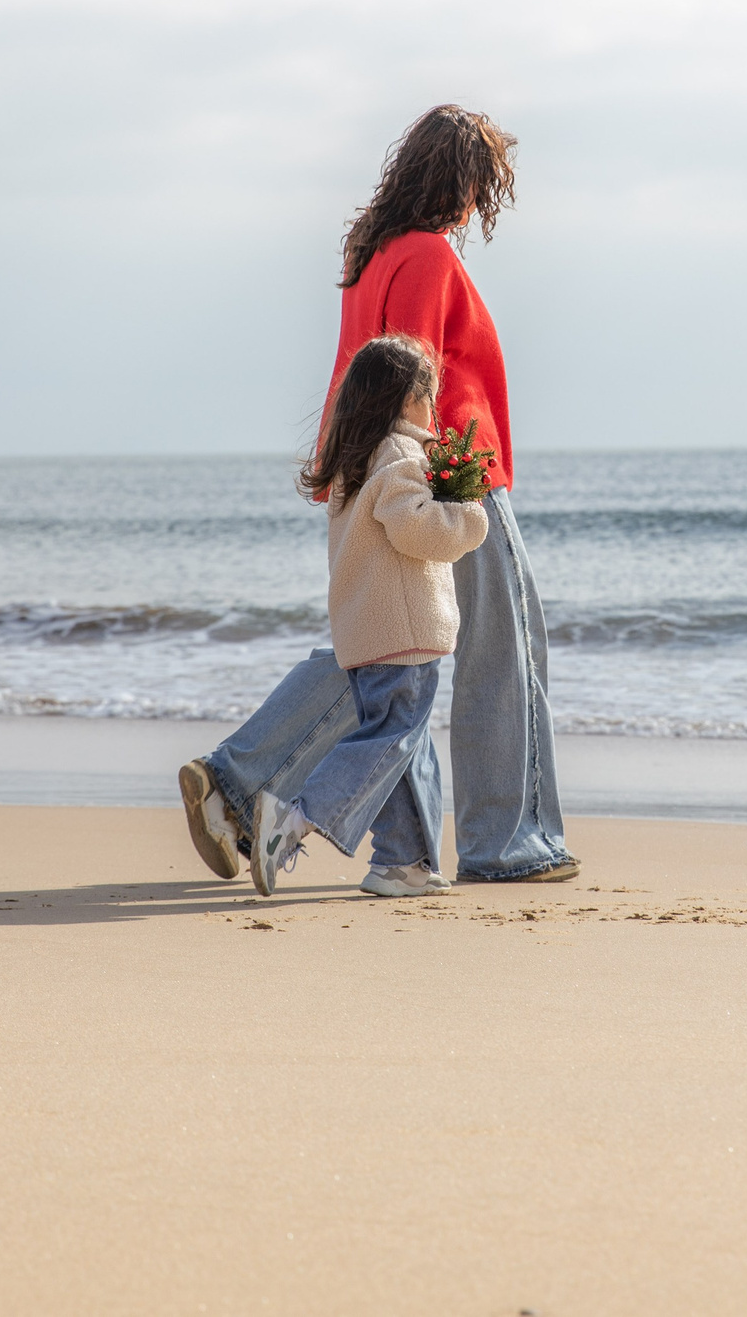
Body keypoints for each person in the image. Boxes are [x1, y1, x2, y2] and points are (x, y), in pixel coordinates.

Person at [177, 104, 578, 885]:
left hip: (366, 473)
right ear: (461, 183)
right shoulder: (428, 255)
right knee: (504, 648)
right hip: (451, 475)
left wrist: (342, 477)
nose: (478, 206)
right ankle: (507, 843)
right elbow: (413, 382)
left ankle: (241, 783)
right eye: (481, 185)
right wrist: (438, 486)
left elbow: (354, 376)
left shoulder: (373, 256)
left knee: (381, 653)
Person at [242, 334, 487, 898]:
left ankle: (402, 863)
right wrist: (468, 516)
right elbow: (416, 528)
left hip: (367, 630)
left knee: (407, 749)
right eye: (430, 396)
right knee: (392, 741)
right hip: (403, 631)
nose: (435, 409)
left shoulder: (357, 459)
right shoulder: (402, 456)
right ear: (407, 401)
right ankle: (295, 818)